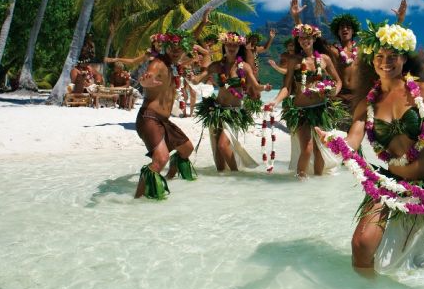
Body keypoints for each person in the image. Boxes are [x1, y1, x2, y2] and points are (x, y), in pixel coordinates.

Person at [315, 0, 424, 282]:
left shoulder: (423, 91)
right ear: (372, 61)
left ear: (404, 58)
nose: (386, 62)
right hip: (391, 184)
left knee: (419, 265)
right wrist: (334, 140)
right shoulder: (368, 102)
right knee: (362, 244)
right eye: (380, 57)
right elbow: (353, 138)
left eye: (393, 56)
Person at [266, 17, 346, 178]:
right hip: (301, 111)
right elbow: (287, 88)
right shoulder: (294, 60)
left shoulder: (324, 59)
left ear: (314, 38)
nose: (304, 40)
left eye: (307, 37)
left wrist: (333, 92)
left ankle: (317, 184)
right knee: (307, 148)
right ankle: (300, 182)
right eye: (301, 38)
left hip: (320, 109)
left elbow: (338, 81)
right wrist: (275, 101)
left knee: (319, 149)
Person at [191, 32, 272, 172]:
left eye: (235, 45)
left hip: (233, 112)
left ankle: (236, 174)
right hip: (215, 110)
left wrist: (265, 87)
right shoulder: (217, 65)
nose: (231, 47)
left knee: (223, 145)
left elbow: (256, 86)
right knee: (218, 151)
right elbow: (198, 80)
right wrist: (189, 73)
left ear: (239, 46)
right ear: (224, 45)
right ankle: (223, 181)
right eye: (229, 44)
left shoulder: (244, 67)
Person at [134, 29, 197, 200]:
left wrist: (203, 23)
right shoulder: (158, 64)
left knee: (186, 149)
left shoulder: (174, 67)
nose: (176, 50)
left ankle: (170, 177)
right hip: (149, 118)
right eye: (173, 47)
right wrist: (145, 82)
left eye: (180, 48)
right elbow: (148, 76)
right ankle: (137, 199)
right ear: (166, 47)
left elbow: (191, 39)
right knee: (160, 159)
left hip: (163, 120)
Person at [328, 13, 361, 127]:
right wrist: (297, 18)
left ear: (353, 31)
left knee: (354, 133)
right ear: (338, 32)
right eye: (342, 27)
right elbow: (309, 40)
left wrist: (399, 21)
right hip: (338, 97)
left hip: (356, 98)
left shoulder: (361, 51)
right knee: (337, 134)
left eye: (348, 27)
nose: (345, 29)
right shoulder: (333, 50)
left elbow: (385, 45)